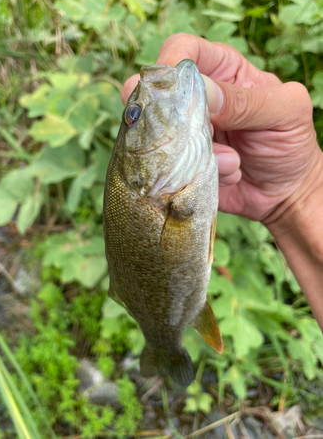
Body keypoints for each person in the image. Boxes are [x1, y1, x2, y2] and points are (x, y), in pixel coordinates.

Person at [121, 33, 323, 333]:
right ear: (138, 177)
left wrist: (300, 189)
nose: (137, 112)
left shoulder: (168, 193)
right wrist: (298, 192)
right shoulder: (163, 198)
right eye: (134, 115)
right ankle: (165, 342)